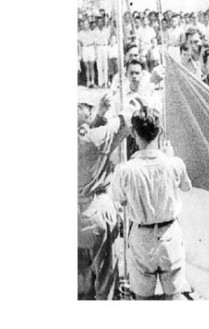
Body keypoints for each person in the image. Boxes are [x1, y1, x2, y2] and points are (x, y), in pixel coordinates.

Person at [111, 106, 192, 300]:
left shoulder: (124, 170)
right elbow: (187, 187)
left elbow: (120, 201)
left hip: (141, 236)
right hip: (169, 235)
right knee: (173, 296)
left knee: (143, 298)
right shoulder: (174, 163)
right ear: (160, 131)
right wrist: (169, 156)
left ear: (133, 133)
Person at [78, 93, 138, 300]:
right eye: (86, 107)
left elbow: (90, 132)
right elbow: (121, 123)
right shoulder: (90, 139)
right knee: (107, 281)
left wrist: (101, 114)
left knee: (82, 283)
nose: (90, 110)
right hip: (95, 211)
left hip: (78, 213)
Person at [79, 20, 97, 87]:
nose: (86, 26)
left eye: (87, 24)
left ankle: (92, 81)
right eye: (84, 24)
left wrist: (95, 53)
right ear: (83, 25)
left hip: (91, 48)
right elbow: (79, 44)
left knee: (92, 66)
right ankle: (88, 81)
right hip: (84, 48)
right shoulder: (80, 33)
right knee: (86, 67)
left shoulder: (92, 33)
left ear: (89, 25)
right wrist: (80, 54)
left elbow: (95, 43)